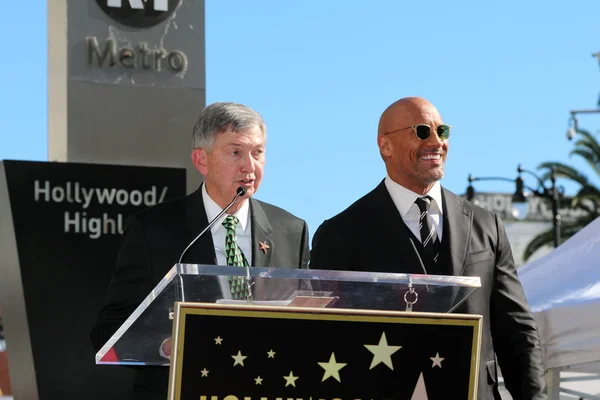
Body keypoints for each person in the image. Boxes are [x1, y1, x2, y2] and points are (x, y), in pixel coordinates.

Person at [310, 97, 547, 399]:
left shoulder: (486, 226)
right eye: (421, 131)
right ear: (385, 145)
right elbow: (325, 340)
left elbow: (516, 329)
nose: (436, 142)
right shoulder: (341, 234)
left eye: (442, 131)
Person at [90, 102, 310, 400]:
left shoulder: (291, 231)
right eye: (235, 153)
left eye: (257, 152)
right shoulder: (154, 230)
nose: (249, 166)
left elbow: (309, 317)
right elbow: (111, 326)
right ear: (201, 160)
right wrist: (167, 346)